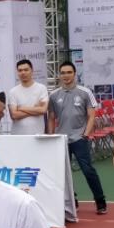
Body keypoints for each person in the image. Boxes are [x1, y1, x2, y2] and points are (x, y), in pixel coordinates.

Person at [48, 61, 107, 215]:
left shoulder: (84, 92)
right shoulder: (54, 95)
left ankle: (100, 201)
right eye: (63, 73)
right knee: (64, 174)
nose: (66, 75)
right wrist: (51, 136)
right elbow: (51, 117)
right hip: (61, 140)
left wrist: (86, 134)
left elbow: (92, 114)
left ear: (74, 74)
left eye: (69, 72)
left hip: (80, 138)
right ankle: (72, 202)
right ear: (59, 75)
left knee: (88, 170)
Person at [8, 60, 49, 135]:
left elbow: (43, 110)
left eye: (26, 70)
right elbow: (14, 115)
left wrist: (21, 108)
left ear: (32, 70)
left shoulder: (41, 88)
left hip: (37, 135)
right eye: (20, 70)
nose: (23, 73)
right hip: (18, 136)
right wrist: (35, 110)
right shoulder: (13, 92)